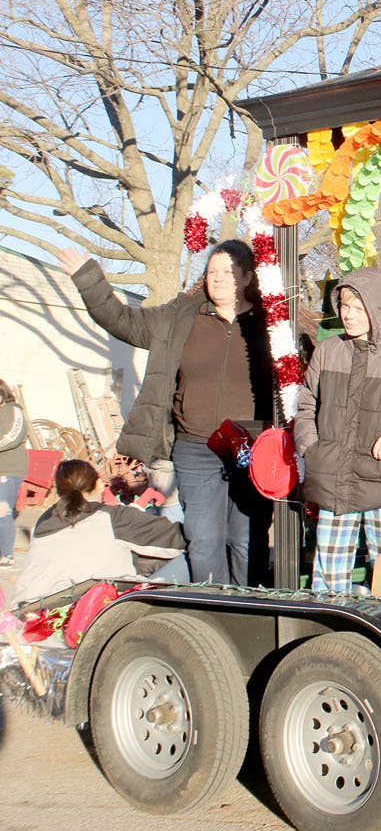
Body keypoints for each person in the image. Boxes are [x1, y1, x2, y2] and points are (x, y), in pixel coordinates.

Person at [59, 242, 274, 585]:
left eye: (228, 272)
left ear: (248, 276)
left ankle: (250, 612)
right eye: (211, 271)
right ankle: (213, 613)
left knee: (246, 541)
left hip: (253, 450)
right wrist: (88, 279)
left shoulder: (272, 322)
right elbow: (121, 319)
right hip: (196, 449)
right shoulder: (180, 316)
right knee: (204, 542)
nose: (217, 279)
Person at [295, 268, 381, 593]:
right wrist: (311, 449)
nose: (349, 315)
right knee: (328, 582)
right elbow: (306, 405)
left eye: (359, 308)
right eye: (345, 306)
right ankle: (325, 636)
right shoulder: (328, 351)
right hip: (334, 480)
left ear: (380, 311)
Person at [14, 459, 188, 604]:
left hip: (32, 610)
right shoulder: (112, 517)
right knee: (194, 554)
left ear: (59, 491)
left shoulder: (44, 521)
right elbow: (179, 540)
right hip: (89, 612)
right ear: (99, 484)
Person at [0, 380, 28, 567]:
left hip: (7, 468)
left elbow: (12, 436)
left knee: (2, 510)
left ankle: (6, 554)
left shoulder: (13, 410)